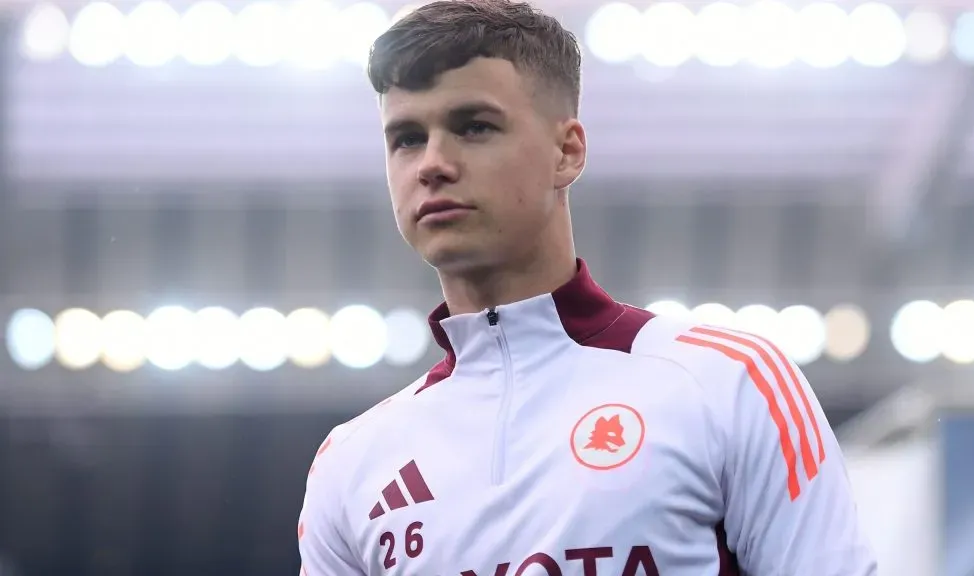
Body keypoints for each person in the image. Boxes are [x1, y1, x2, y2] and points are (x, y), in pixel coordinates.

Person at [297, 1, 878, 574]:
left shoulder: (731, 383)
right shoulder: (350, 462)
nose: (433, 164)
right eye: (405, 138)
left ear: (568, 151)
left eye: (474, 127)